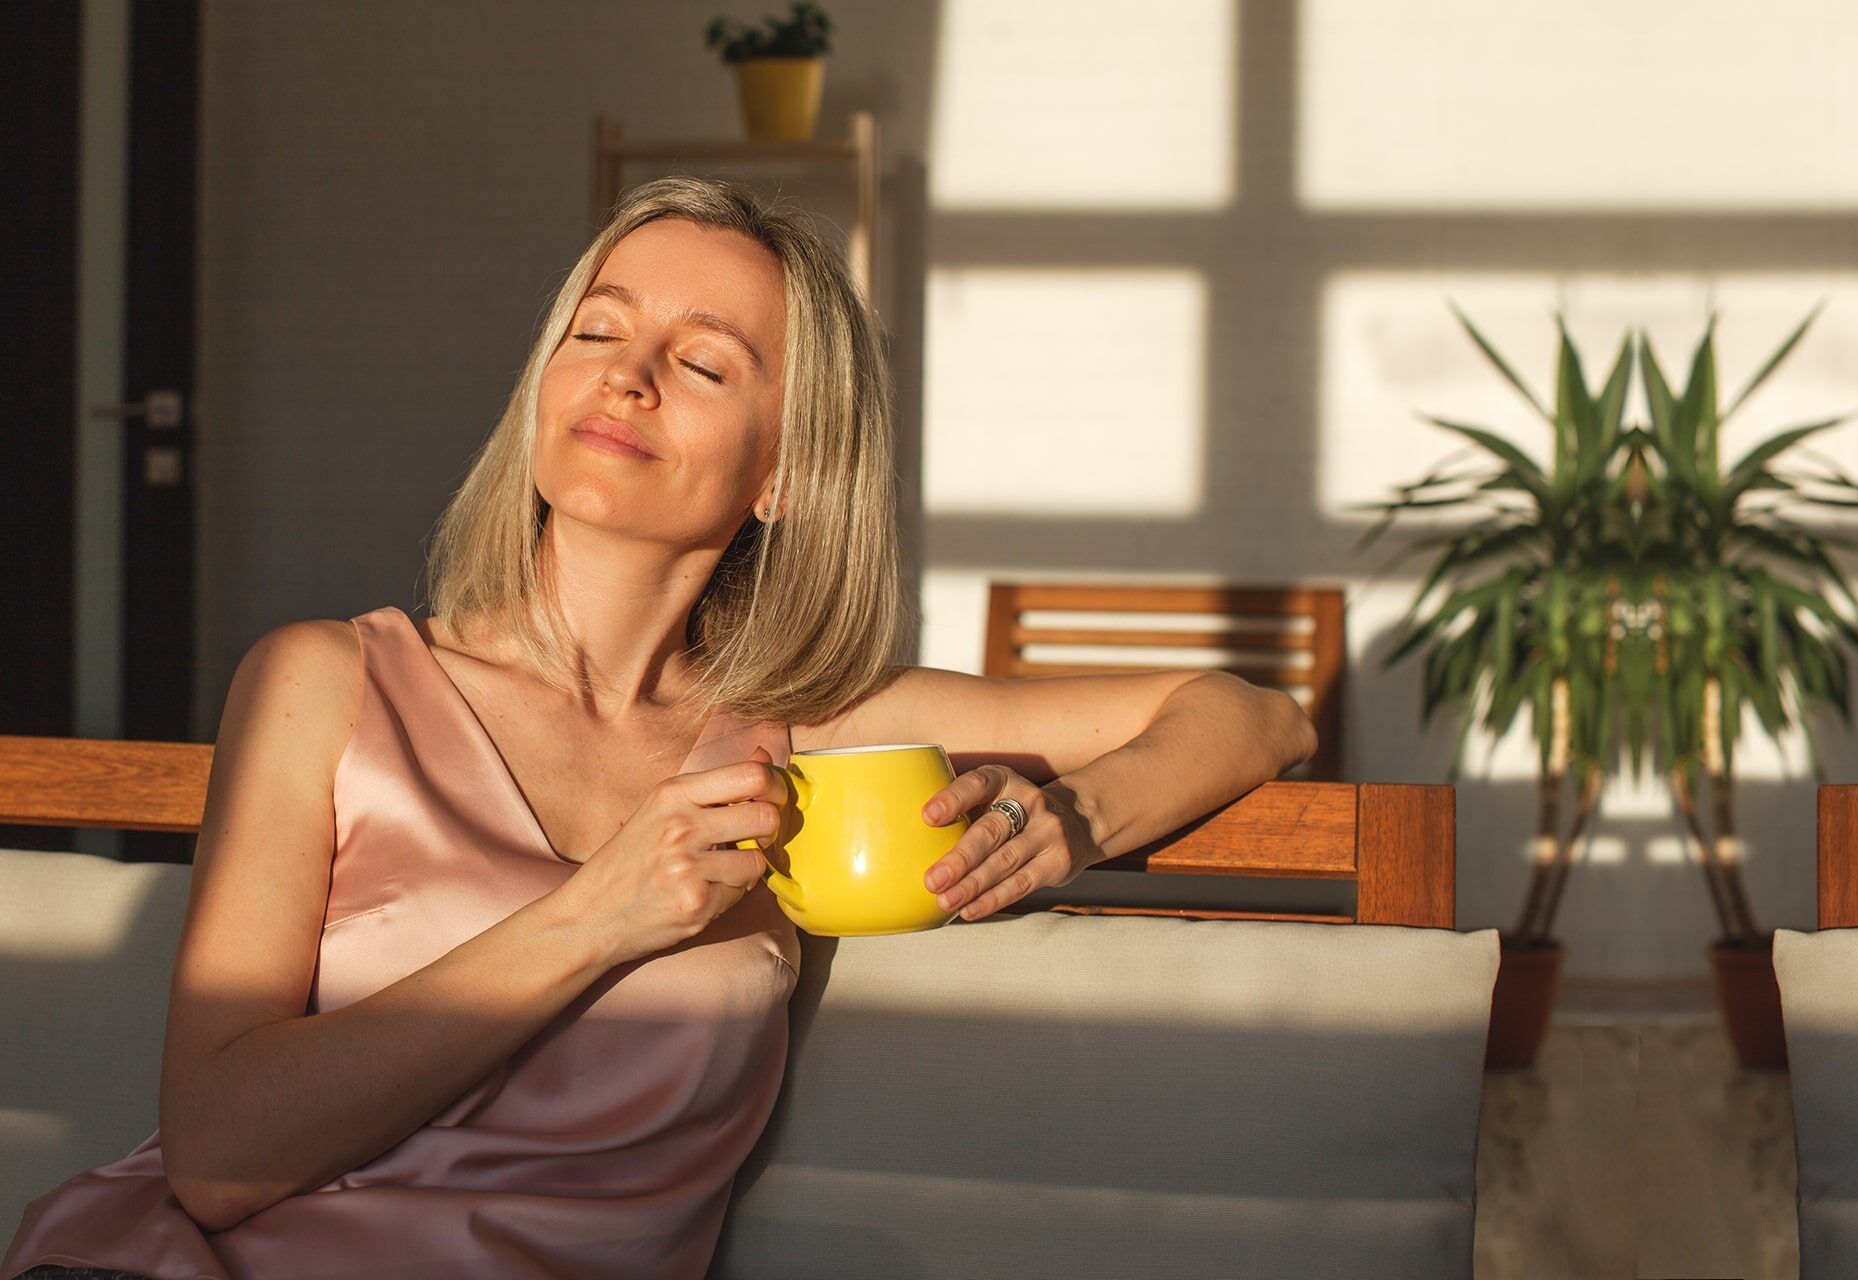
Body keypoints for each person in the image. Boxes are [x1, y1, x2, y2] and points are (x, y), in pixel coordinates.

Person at [3, 175, 1316, 1280]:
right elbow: (222, 1159)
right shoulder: (322, 683)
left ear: (786, 472)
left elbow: (1255, 715)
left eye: (698, 361)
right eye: (597, 331)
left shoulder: (807, 739)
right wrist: (602, 913)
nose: (626, 376)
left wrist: (1078, 817)